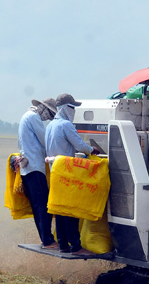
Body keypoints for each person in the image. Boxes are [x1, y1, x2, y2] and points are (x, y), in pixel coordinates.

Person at [45, 93, 99, 256]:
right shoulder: (65, 125)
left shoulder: (50, 126)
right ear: (65, 108)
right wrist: (92, 150)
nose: (74, 111)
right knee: (72, 210)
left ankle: (63, 245)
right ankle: (76, 246)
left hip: (55, 171)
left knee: (60, 210)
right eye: (72, 107)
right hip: (67, 173)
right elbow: (79, 145)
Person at [17, 97, 58, 249]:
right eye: (49, 114)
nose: (48, 118)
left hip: (28, 167)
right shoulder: (34, 118)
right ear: (43, 108)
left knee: (37, 205)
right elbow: (46, 140)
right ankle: (47, 240)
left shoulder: (26, 116)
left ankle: (45, 238)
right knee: (43, 205)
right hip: (34, 166)